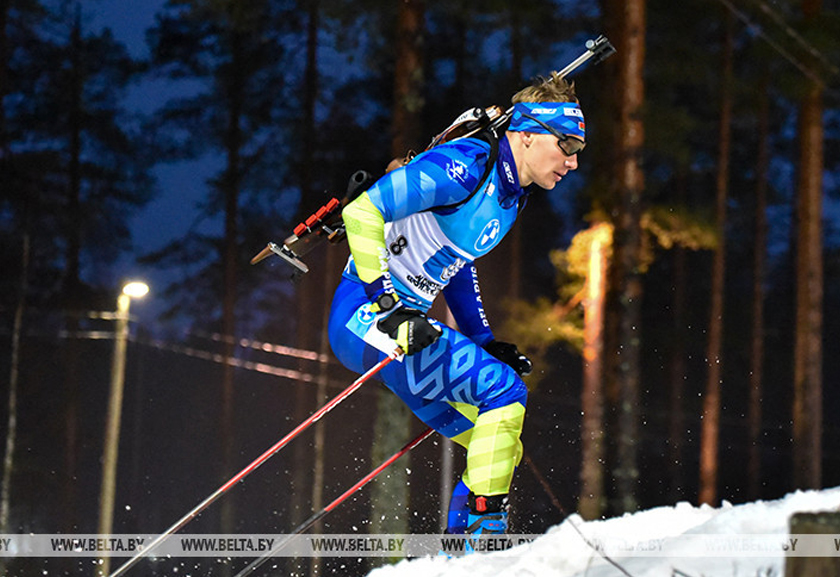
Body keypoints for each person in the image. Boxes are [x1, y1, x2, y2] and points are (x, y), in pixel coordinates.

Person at [327, 73, 585, 538]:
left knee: (499, 439)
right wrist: (388, 306)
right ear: (526, 135)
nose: (572, 161)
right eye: (565, 144)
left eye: (578, 151)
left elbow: (456, 262)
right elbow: (361, 212)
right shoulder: (464, 164)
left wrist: (485, 341)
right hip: (365, 318)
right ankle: (482, 544)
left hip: (406, 327)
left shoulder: (513, 195)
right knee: (503, 395)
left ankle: (461, 554)